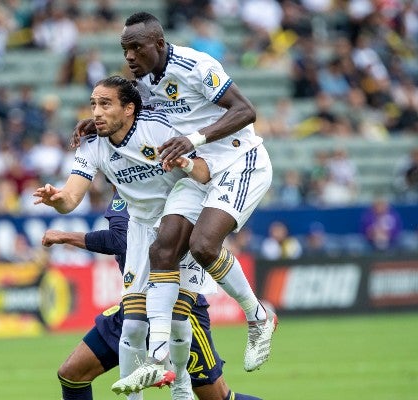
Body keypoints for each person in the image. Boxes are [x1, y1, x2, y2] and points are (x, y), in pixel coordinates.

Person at [110, 12, 277, 393]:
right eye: (125, 50)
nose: (130, 56)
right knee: (163, 249)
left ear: (158, 43)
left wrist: (195, 139)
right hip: (197, 171)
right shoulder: (144, 82)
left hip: (239, 161)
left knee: (203, 246)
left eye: (136, 47)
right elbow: (135, 114)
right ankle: (157, 357)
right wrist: (99, 125)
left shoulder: (195, 65)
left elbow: (246, 111)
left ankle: (257, 316)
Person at [34, 76, 214, 399]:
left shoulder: (158, 129)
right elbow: (71, 198)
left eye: (105, 104)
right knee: (128, 329)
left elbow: (204, 173)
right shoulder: (95, 147)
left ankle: (181, 384)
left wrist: (186, 162)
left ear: (130, 109)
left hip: (180, 226)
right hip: (142, 236)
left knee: (185, 338)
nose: (96, 112)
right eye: (93, 105)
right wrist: (56, 198)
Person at [44, 192, 262, 400]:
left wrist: (65, 236)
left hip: (179, 310)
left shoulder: (137, 186)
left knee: (217, 397)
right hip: (135, 308)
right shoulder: (125, 185)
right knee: (72, 374)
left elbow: (119, 240)